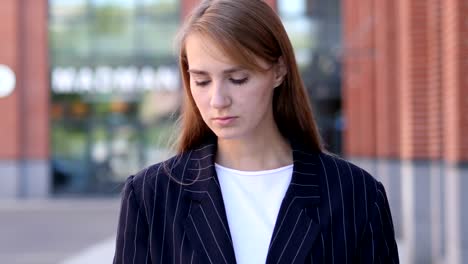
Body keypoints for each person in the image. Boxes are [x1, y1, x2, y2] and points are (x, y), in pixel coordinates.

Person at [113, 0, 399, 263]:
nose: (218, 100)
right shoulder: (150, 195)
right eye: (201, 81)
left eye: (237, 79)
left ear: (278, 71)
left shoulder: (356, 194)